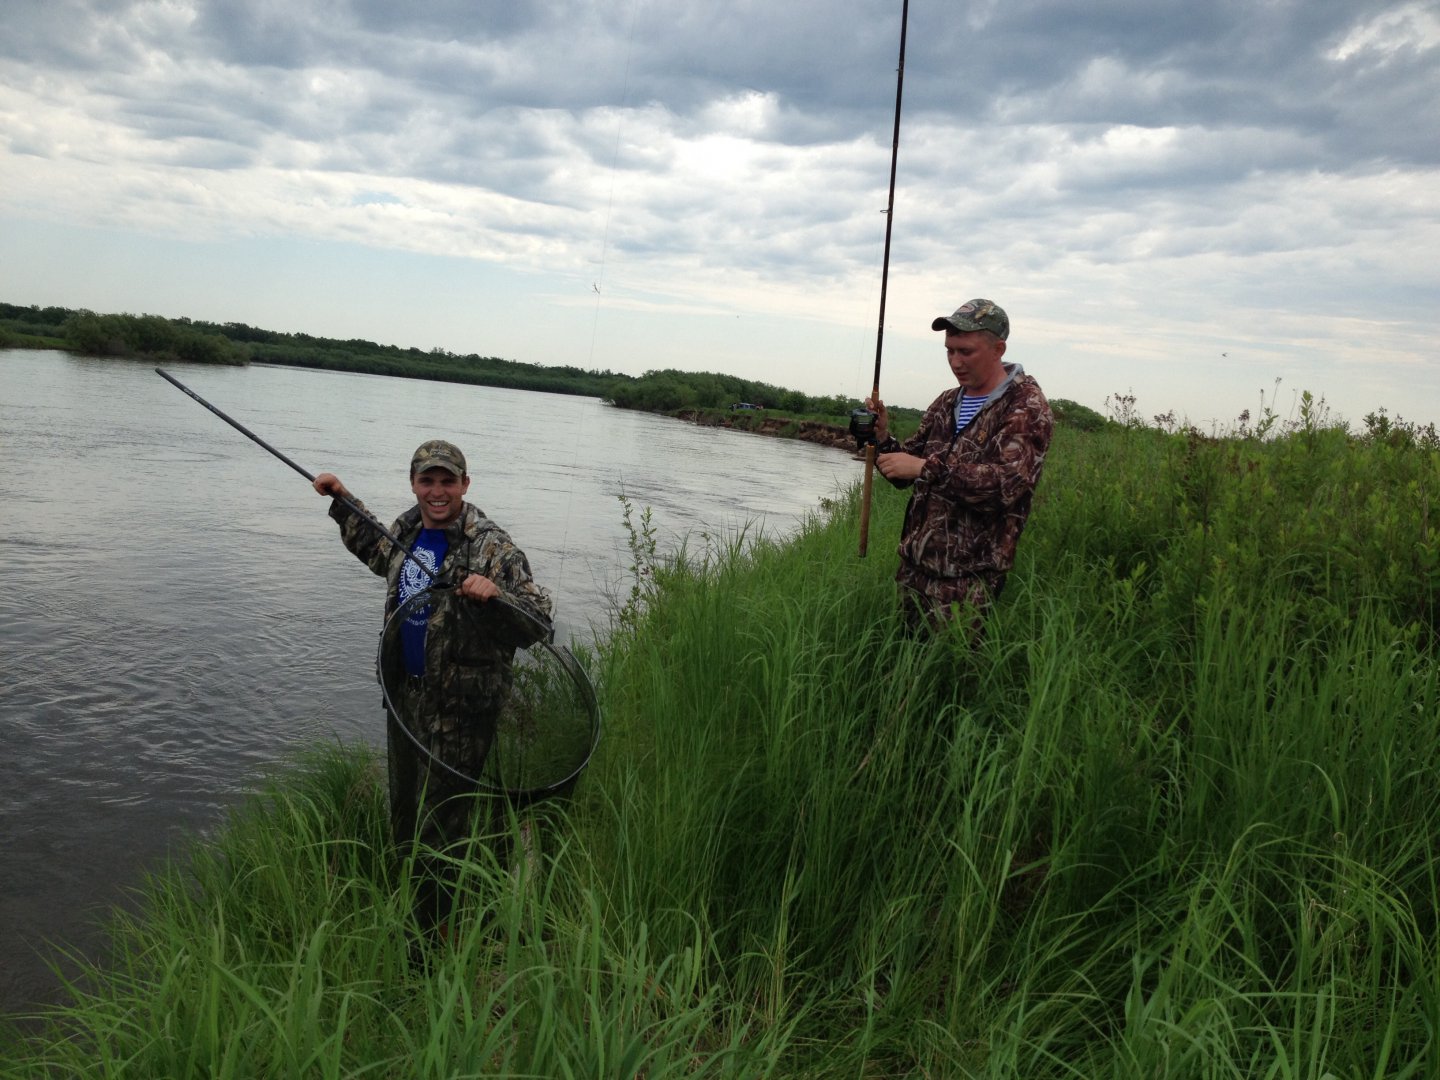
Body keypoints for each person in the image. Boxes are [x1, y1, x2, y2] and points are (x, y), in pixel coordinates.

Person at [313, 438, 553, 930]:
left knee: (442, 828)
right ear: (414, 484)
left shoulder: (491, 546)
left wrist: (497, 594)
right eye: (428, 480)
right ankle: (411, 905)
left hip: (460, 711)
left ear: (465, 484)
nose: (437, 491)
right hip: (405, 700)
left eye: (448, 481)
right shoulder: (407, 529)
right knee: (404, 812)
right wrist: (341, 499)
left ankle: (436, 935)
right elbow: (375, 547)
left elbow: (539, 622)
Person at [866, 298, 1052, 631]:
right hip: (914, 571)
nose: (955, 361)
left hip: (969, 583)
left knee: (952, 664)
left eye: (966, 352)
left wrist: (924, 468)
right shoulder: (946, 401)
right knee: (900, 658)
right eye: (949, 351)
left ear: (998, 349)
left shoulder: (1026, 406)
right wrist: (882, 437)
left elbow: (1004, 486)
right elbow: (903, 472)